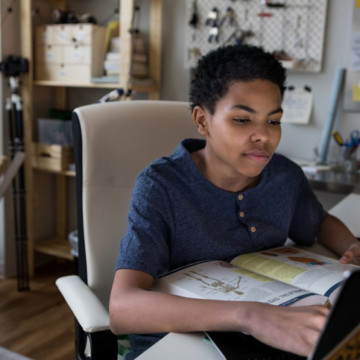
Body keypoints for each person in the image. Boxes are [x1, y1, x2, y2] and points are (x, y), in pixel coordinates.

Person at [109, 44, 360, 359]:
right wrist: (250, 316)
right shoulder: (162, 186)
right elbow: (122, 308)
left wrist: (350, 244)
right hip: (181, 342)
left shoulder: (284, 175)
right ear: (202, 121)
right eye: (242, 120)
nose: (263, 136)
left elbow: (319, 221)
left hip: (266, 336)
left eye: (273, 121)